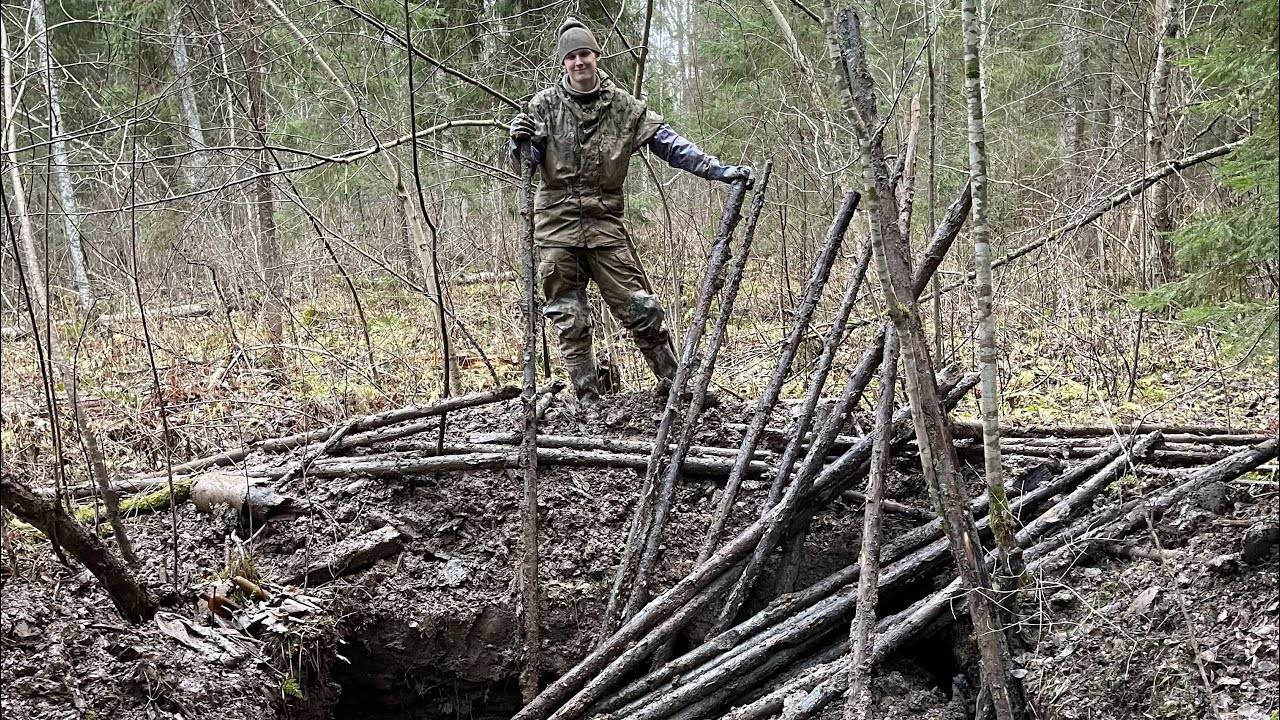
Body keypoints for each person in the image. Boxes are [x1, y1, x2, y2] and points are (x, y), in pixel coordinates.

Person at [508, 17, 753, 408]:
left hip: (605, 224)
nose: (578, 62)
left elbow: (671, 145)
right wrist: (519, 142)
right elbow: (528, 160)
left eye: (584, 54)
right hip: (555, 225)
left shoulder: (624, 107)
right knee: (570, 320)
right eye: (571, 57)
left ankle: (678, 386)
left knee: (640, 307)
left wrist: (718, 170)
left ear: (596, 56)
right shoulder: (543, 106)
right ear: (563, 63)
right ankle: (589, 400)